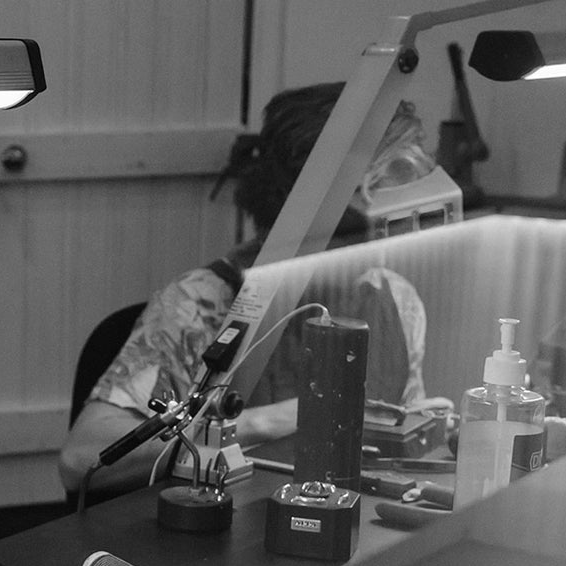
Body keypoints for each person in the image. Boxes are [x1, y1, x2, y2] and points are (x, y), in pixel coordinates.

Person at [61, 83, 444, 498]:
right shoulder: (201, 304)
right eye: (374, 219)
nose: (391, 242)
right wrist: (265, 422)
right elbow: (81, 461)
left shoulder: (396, 298)